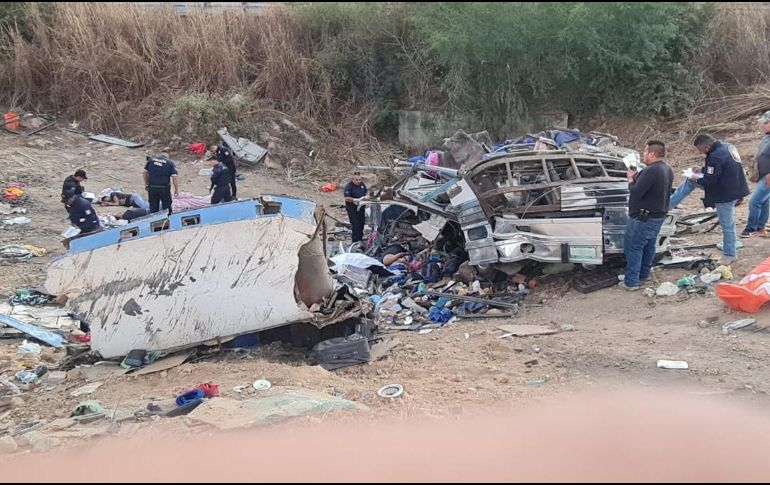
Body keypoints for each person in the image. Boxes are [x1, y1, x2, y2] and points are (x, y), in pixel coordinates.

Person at [669, 134, 750, 264]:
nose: (700, 153)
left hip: (725, 193)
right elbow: (721, 169)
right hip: (735, 186)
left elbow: (710, 181)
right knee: (690, 182)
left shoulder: (715, 156)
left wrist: (697, 177)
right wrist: (702, 170)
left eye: (700, 150)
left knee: (727, 224)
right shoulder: (728, 146)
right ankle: (670, 203)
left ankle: (730, 254)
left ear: (707, 147)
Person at [620, 140, 674, 291]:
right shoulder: (666, 169)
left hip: (644, 217)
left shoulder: (651, 170)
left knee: (634, 247)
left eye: (645, 152)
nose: (643, 155)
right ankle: (643, 274)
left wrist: (631, 178)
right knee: (649, 245)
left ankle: (631, 282)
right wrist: (639, 177)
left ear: (652, 153)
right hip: (657, 216)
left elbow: (636, 191)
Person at [741, 111, 770, 238]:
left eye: (765, 123)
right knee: (764, 201)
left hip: (768, 176)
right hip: (762, 175)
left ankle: (751, 228)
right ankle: (760, 227)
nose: (762, 125)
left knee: (754, 201)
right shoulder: (766, 137)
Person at [343, 172, 368, 243]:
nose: (358, 181)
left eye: (360, 180)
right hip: (352, 208)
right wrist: (354, 200)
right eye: (357, 180)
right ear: (353, 180)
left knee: (361, 223)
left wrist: (366, 197)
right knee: (355, 224)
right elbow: (346, 198)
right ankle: (355, 240)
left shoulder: (362, 185)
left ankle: (360, 238)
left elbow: (366, 192)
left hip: (361, 207)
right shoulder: (349, 186)